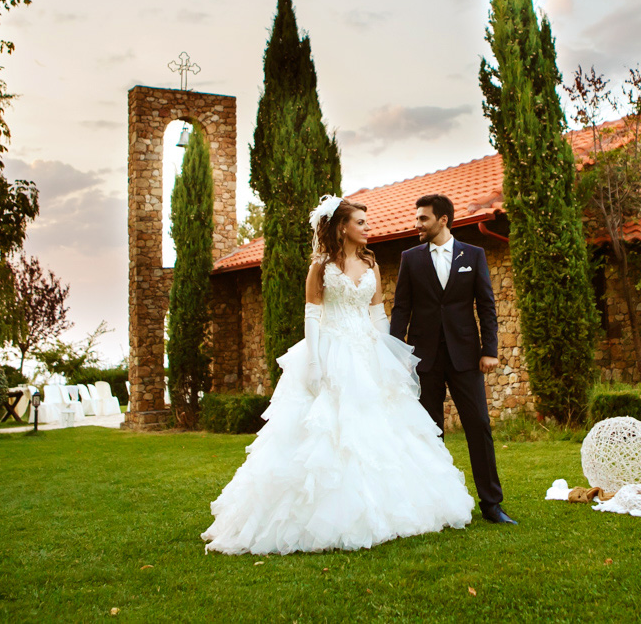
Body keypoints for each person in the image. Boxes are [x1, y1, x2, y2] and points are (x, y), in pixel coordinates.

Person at [202, 196, 474, 555]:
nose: (367, 227)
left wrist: (392, 354)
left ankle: (387, 509)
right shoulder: (321, 267)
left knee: (382, 432)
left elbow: (378, 313)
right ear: (342, 227)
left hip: (367, 350)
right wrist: (315, 362)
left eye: (366, 221)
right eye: (361, 222)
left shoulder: (371, 264)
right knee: (331, 431)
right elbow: (312, 315)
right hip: (332, 350)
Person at [390, 194, 516, 525]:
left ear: (443, 220)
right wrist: (395, 354)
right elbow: (401, 308)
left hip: (466, 357)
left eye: (423, 219)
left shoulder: (473, 255)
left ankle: (492, 504)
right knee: (430, 432)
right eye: (417, 218)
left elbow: (486, 305)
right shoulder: (410, 258)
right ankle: (434, 506)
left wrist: (490, 349)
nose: (417, 224)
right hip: (424, 359)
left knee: (479, 426)